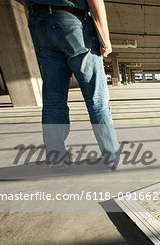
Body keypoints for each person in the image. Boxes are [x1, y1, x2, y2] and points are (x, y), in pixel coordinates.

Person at [18, 0, 123, 169]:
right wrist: (105, 35)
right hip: (71, 20)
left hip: (38, 22)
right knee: (97, 100)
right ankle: (112, 156)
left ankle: (56, 158)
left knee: (53, 101)